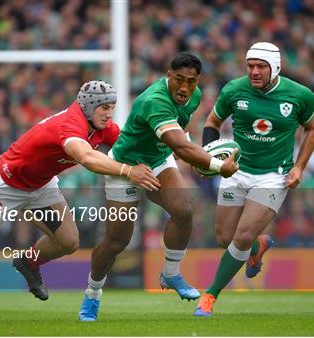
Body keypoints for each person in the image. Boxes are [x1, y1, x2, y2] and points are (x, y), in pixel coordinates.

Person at [0, 81, 161, 323]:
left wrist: (169, 143)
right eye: (105, 108)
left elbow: (131, 142)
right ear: (88, 107)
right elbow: (87, 158)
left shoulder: (101, 126)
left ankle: (28, 263)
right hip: (5, 184)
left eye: (111, 108)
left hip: (40, 186)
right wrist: (129, 171)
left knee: (69, 241)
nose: (109, 114)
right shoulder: (70, 125)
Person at [78, 52, 239, 321]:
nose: (185, 87)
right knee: (117, 241)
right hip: (124, 167)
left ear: (198, 80)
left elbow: (177, 140)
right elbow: (179, 144)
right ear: (168, 76)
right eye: (179, 80)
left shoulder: (194, 95)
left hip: (157, 160)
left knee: (184, 207)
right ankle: (92, 294)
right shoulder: (155, 101)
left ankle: (171, 273)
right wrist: (217, 166)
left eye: (191, 81)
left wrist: (191, 158)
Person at [193, 42, 314, 317]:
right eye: (250, 66)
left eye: (261, 66)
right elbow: (212, 123)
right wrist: (210, 159)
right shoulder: (233, 90)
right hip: (236, 170)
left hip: (273, 175)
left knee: (242, 235)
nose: (254, 71)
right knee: (224, 237)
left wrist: (299, 167)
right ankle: (258, 246)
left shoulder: (300, 95)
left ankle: (210, 295)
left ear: (274, 68)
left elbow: (312, 128)